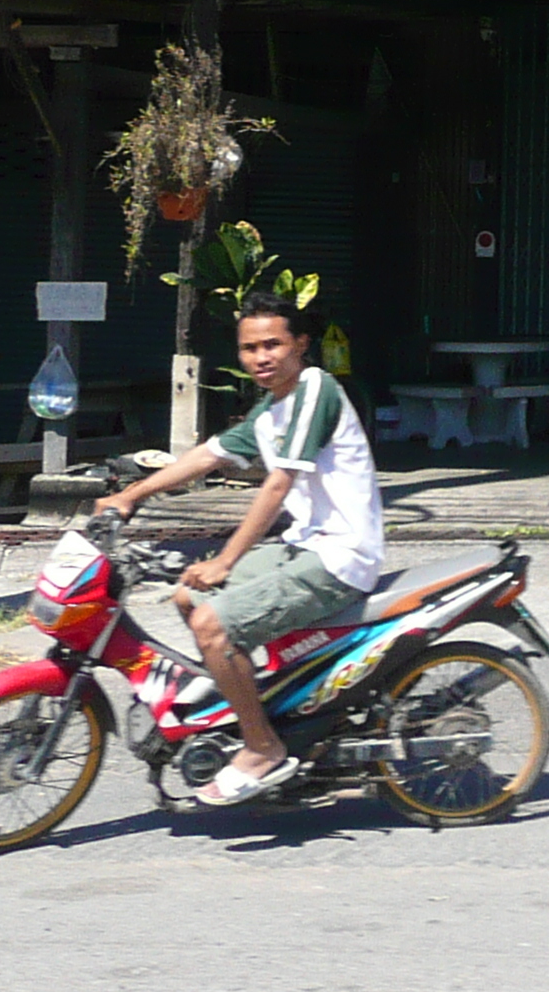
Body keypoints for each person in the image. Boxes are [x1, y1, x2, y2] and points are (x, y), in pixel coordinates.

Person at [98, 292, 387, 806]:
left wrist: (226, 560)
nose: (262, 357)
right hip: (305, 546)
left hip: (340, 557)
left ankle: (262, 747)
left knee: (213, 623)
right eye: (250, 348)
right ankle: (256, 702)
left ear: (302, 344)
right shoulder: (273, 408)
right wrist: (129, 496)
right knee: (188, 597)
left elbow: (276, 487)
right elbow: (209, 455)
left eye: (274, 344)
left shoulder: (314, 389)